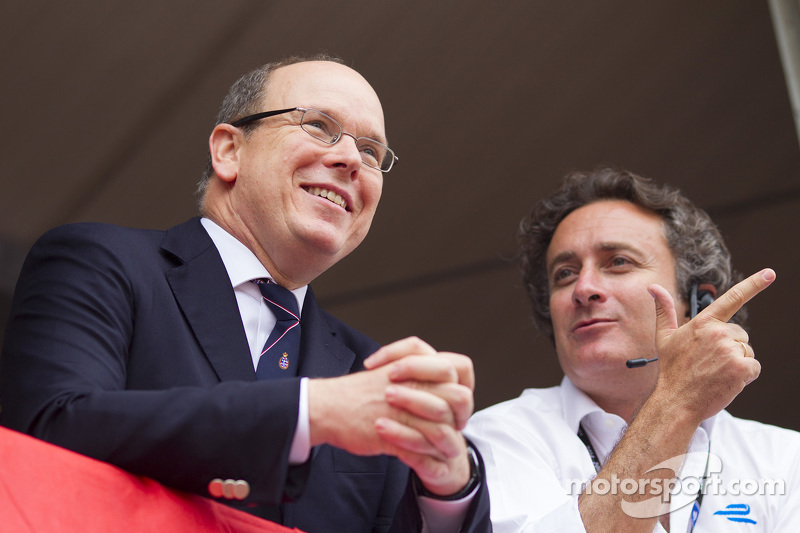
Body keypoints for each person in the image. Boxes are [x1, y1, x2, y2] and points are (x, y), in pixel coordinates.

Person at [0, 56, 490, 533]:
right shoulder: (102, 261)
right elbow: (48, 429)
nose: (350, 160)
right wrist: (310, 413)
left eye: (371, 152)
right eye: (319, 125)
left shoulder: (372, 372)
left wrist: (446, 491)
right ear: (229, 151)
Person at [465, 167, 800, 532]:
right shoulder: (497, 437)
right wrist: (678, 401)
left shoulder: (785, 459)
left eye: (618, 262)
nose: (584, 288)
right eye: (564, 273)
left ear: (695, 301)